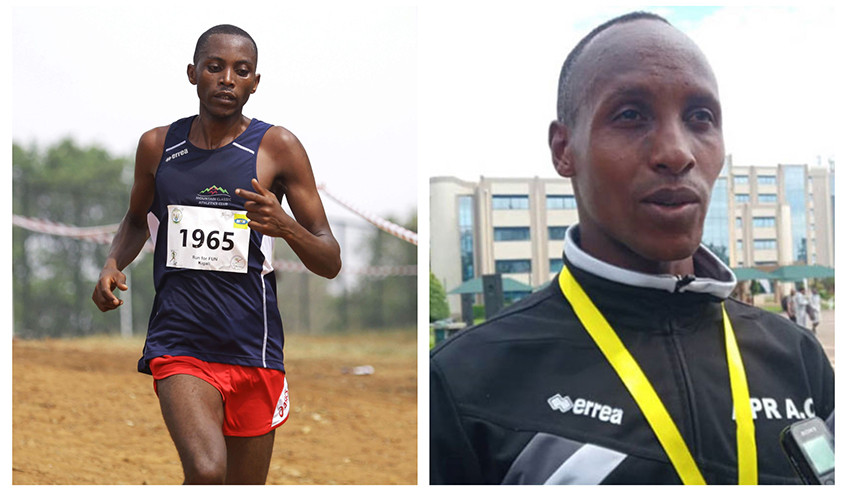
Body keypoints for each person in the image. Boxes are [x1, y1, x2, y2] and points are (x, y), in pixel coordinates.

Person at [430, 12, 834, 485]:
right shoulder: (466, 382)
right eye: (630, 115)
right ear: (564, 149)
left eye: (700, 117)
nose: (677, 152)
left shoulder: (798, 358)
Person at [92, 24, 341, 484]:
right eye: (215, 67)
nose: (228, 78)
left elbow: (330, 259)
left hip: (254, 345)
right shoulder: (157, 146)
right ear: (193, 74)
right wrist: (113, 263)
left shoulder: (277, 147)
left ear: (255, 82)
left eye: (241, 70)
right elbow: (134, 219)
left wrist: (284, 226)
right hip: (179, 339)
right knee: (207, 471)